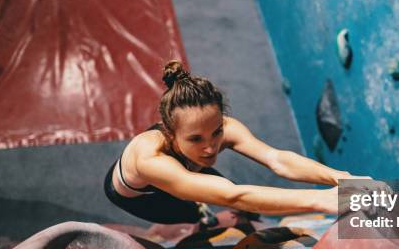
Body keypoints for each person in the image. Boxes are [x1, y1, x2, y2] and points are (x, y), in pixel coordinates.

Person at [104, 60, 368, 225]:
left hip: (187, 166)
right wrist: (321, 201)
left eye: (216, 132)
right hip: (145, 197)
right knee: (198, 210)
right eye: (196, 138)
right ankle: (205, 219)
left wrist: (340, 178)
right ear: (169, 133)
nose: (210, 147)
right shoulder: (149, 157)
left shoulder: (223, 129)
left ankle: (246, 219)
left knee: (228, 194)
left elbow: (277, 160)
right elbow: (233, 195)